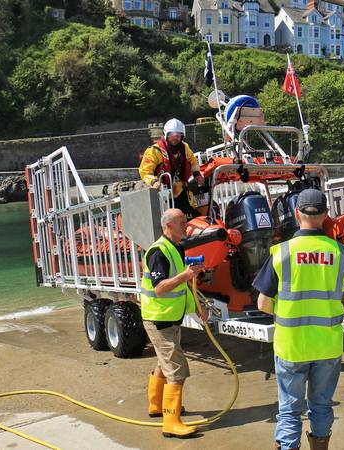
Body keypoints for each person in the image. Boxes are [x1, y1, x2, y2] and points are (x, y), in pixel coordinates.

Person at [252, 189, 344, 450]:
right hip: (327, 346)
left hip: (291, 346)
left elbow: (263, 304)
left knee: (289, 409)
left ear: (297, 213)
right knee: (321, 404)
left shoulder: (281, 253)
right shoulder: (343, 254)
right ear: (326, 215)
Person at [142, 208, 207, 438]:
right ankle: (171, 422)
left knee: (164, 363)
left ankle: (157, 406)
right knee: (177, 371)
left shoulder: (176, 248)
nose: (186, 225)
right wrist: (187, 275)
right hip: (159, 319)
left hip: (170, 317)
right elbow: (160, 288)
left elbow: (183, 285)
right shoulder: (158, 252)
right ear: (168, 226)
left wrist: (200, 305)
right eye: (181, 222)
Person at [139, 119, 205, 219]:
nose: (175, 138)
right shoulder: (154, 151)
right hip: (163, 194)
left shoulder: (185, 147)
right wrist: (154, 181)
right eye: (172, 136)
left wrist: (196, 174)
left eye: (178, 136)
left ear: (182, 136)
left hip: (182, 191)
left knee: (190, 217)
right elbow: (145, 171)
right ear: (166, 136)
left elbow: (193, 162)